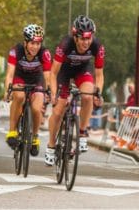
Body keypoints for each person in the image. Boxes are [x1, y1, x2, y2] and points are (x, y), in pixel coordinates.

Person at [45, 15, 105, 166]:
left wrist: (98, 92)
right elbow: (53, 73)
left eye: (89, 38)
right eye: (82, 39)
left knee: (87, 96)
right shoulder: (65, 44)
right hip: (63, 73)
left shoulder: (97, 46)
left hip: (82, 71)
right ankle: (51, 146)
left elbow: (99, 74)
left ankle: (83, 132)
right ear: (75, 37)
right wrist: (53, 94)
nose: (86, 42)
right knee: (58, 111)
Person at [4, 24, 51, 156]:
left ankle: (35, 137)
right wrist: (7, 90)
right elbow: (9, 74)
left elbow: (48, 76)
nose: (35, 47)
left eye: (38, 43)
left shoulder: (44, 53)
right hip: (20, 78)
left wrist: (49, 91)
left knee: (37, 108)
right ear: (25, 42)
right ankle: (12, 131)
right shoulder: (16, 51)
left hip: (37, 80)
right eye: (32, 43)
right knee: (19, 97)